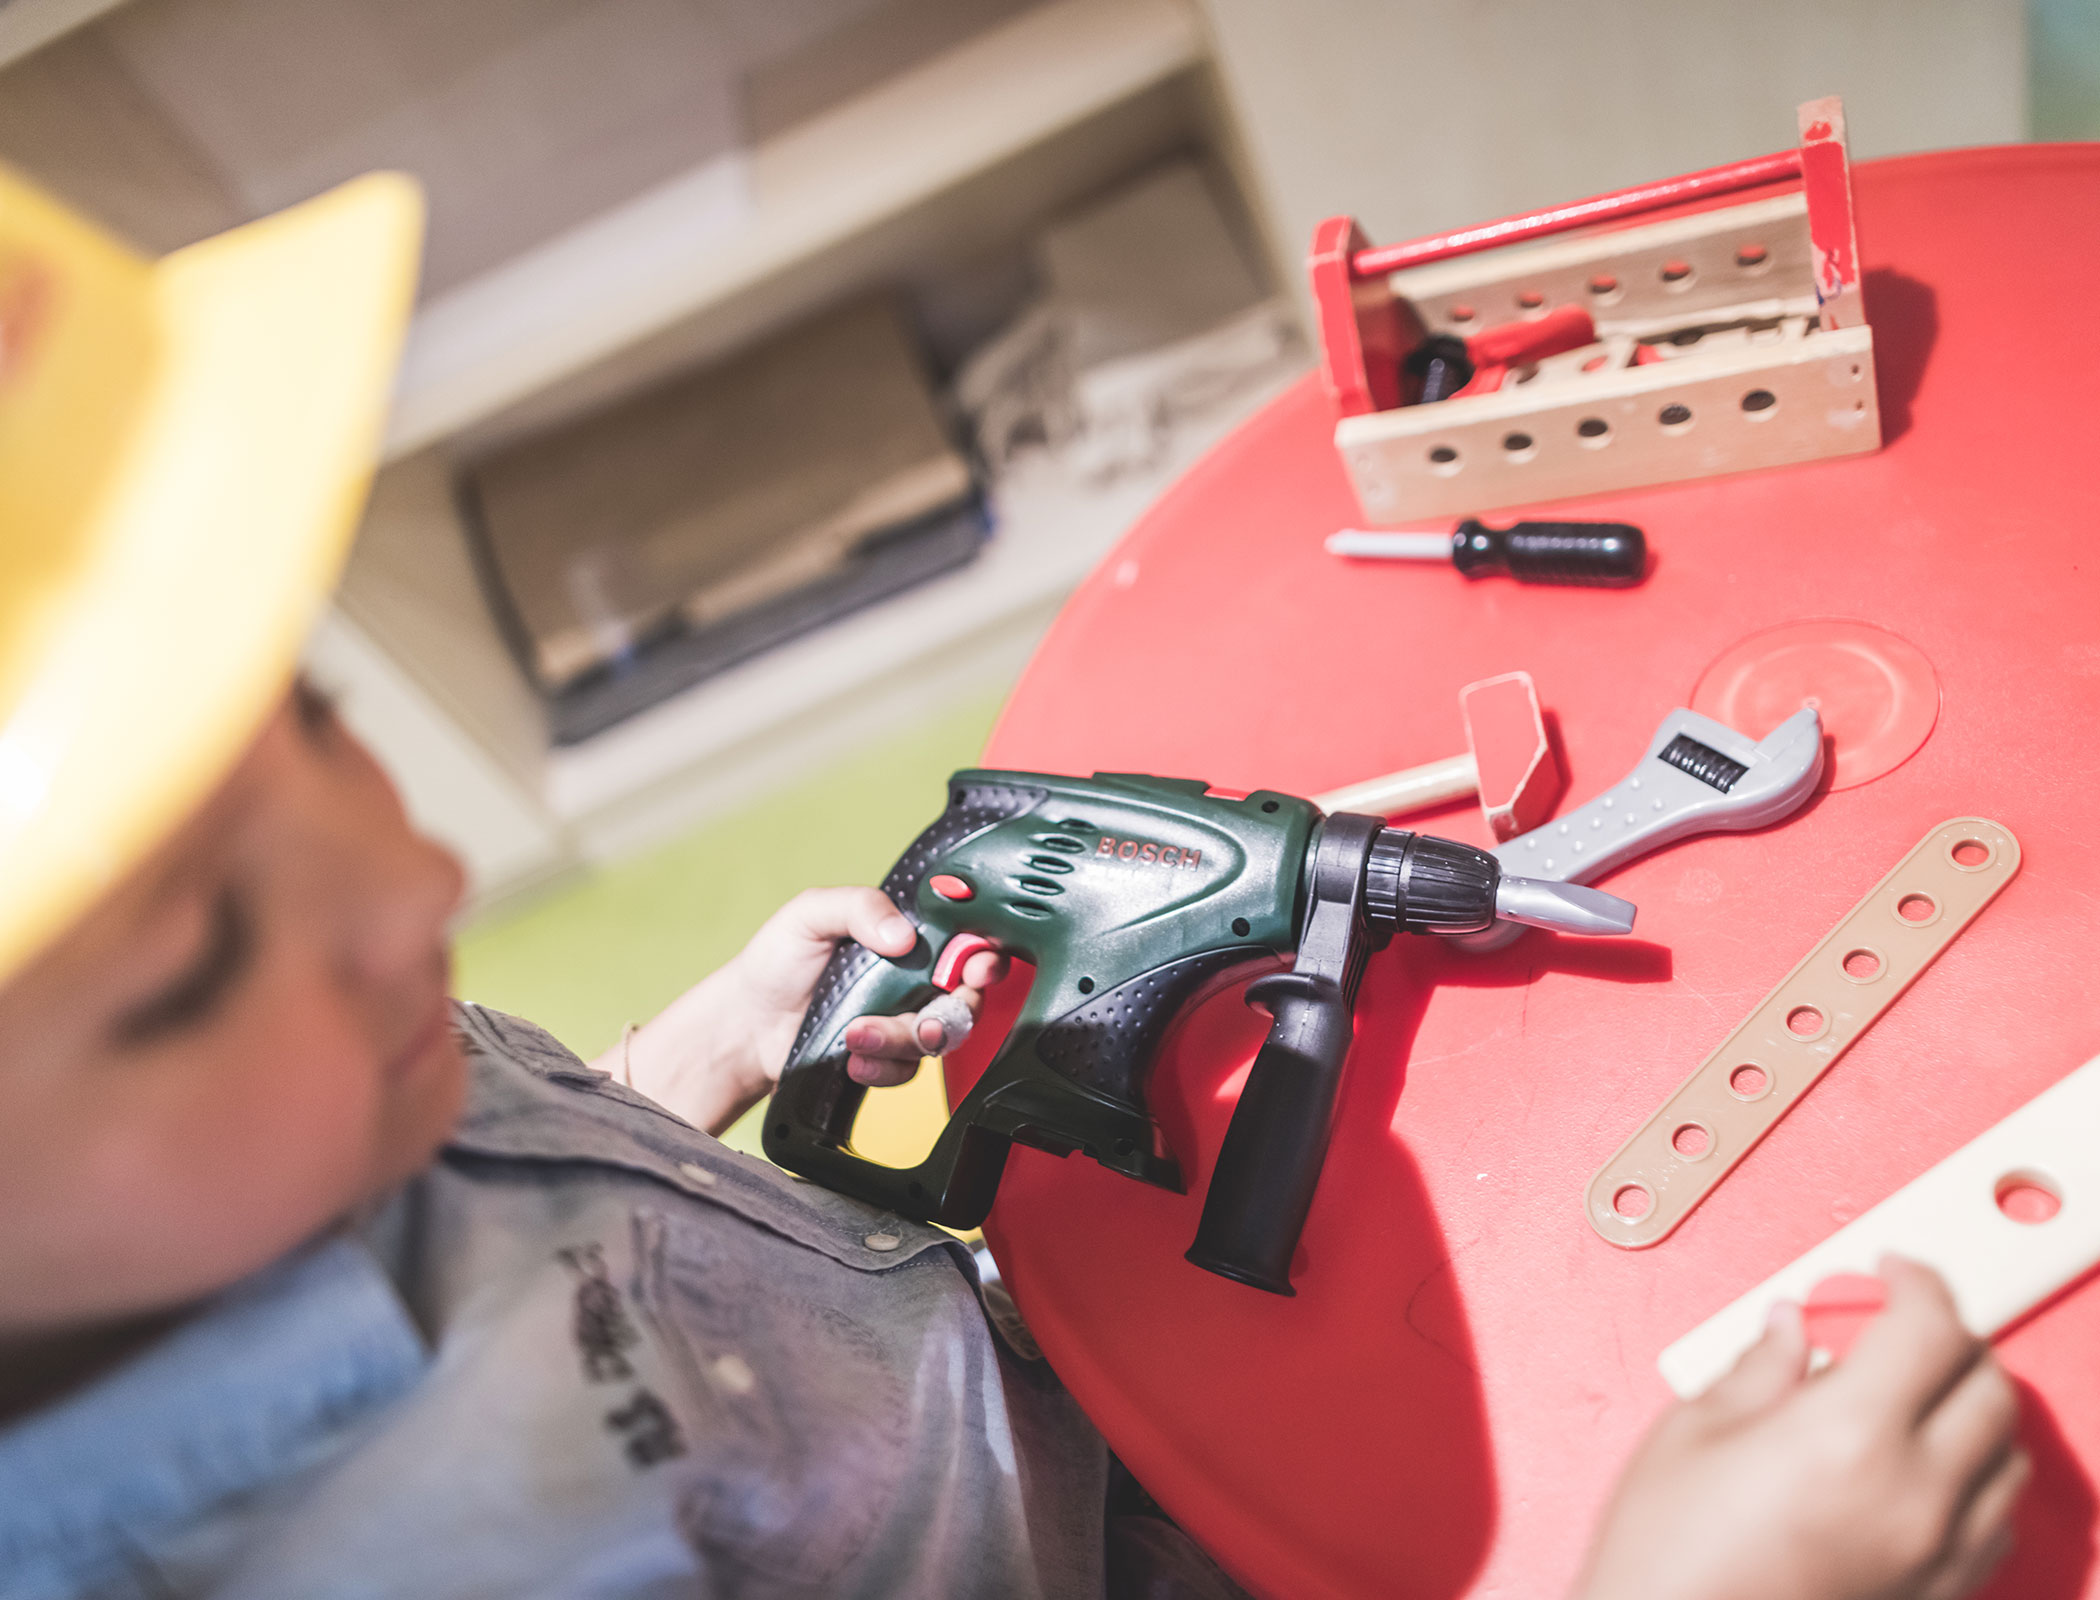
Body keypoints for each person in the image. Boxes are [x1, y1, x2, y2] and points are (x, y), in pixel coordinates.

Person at [0, 168, 2026, 1600]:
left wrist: (665, 1073)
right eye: (195, 955)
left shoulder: (327, 1070)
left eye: (315, 723)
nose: (420, 880)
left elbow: (513, 1199)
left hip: (1019, 1390)